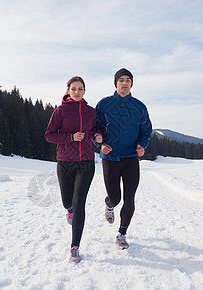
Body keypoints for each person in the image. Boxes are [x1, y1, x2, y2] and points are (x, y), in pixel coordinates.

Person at [45, 76, 102, 263]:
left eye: (80, 89)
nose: (77, 92)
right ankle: (68, 210)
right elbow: (49, 135)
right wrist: (71, 137)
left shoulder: (91, 112)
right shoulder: (60, 111)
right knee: (67, 202)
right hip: (64, 162)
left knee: (79, 204)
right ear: (68, 90)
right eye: (74, 89)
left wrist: (97, 136)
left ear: (85, 91)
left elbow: (94, 131)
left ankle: (75, 247)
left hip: (86, 162)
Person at [95, 68, 152, 250]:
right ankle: (109, 205)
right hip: (110, 158)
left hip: (130, 159)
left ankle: (122, 234)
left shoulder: (139, 107)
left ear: (132, 84)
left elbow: (146, 130)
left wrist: (142, 145)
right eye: (121, 80)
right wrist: (101, 144)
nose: (125, 83)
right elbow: (95, 129)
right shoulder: (104, 105)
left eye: (128, 80)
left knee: (129, 199)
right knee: (115, 197)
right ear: (116, 83)